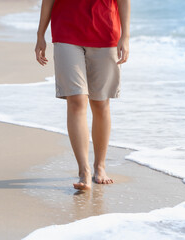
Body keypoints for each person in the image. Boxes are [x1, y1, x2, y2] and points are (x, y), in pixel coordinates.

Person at [35, 0, 130, 191]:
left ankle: (99, 166)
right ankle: (84, 170)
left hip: (106, 33)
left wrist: (125, 36)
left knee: (100, 103)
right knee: (76, 100)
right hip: (66, 33)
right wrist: (40, 35)